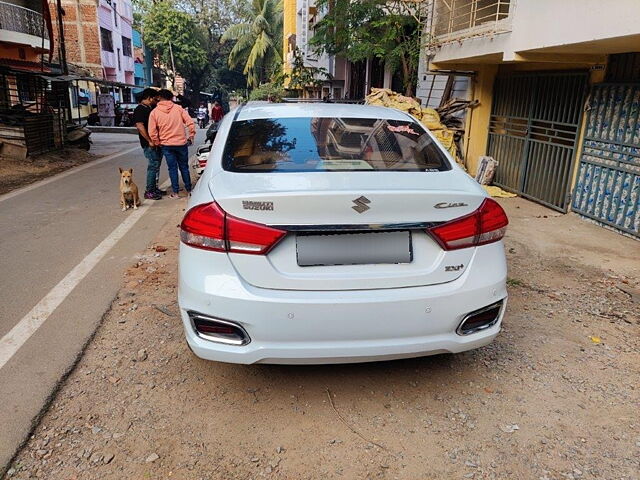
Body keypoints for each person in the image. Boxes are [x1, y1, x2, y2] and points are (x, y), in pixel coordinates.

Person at [148, 89, 195, 199]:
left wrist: (157, 142)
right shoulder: (178, 109)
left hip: (166, 145)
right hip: (181, 143)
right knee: (184, 167)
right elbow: (190, 123)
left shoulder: (154, 112)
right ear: (171, 98)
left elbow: (152, 132)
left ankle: (176, 192)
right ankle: (189, 191)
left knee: (172, 168)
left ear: (159, 97)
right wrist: (191, 136)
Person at [132, 88, 163, 200]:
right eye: (154, 99)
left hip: (156, 142)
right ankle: (149, 191)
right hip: (148, 143)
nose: (156, 101)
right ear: (149, 98)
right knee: (153, 166)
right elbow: (140, 126)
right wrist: (149, 140)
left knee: (156, 166)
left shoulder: (150, 108)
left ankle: (154, 188)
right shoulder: (140, 109)